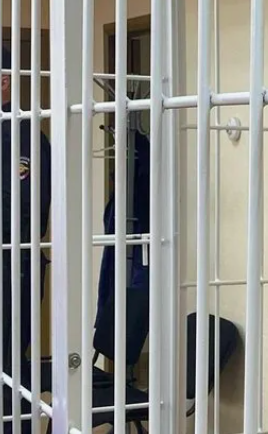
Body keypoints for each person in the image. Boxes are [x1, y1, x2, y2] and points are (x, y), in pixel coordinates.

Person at [0, 47, 52, 434]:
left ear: (4, 81)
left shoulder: (24, 134)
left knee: (8, 363)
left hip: (12, 264)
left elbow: (28, 212)